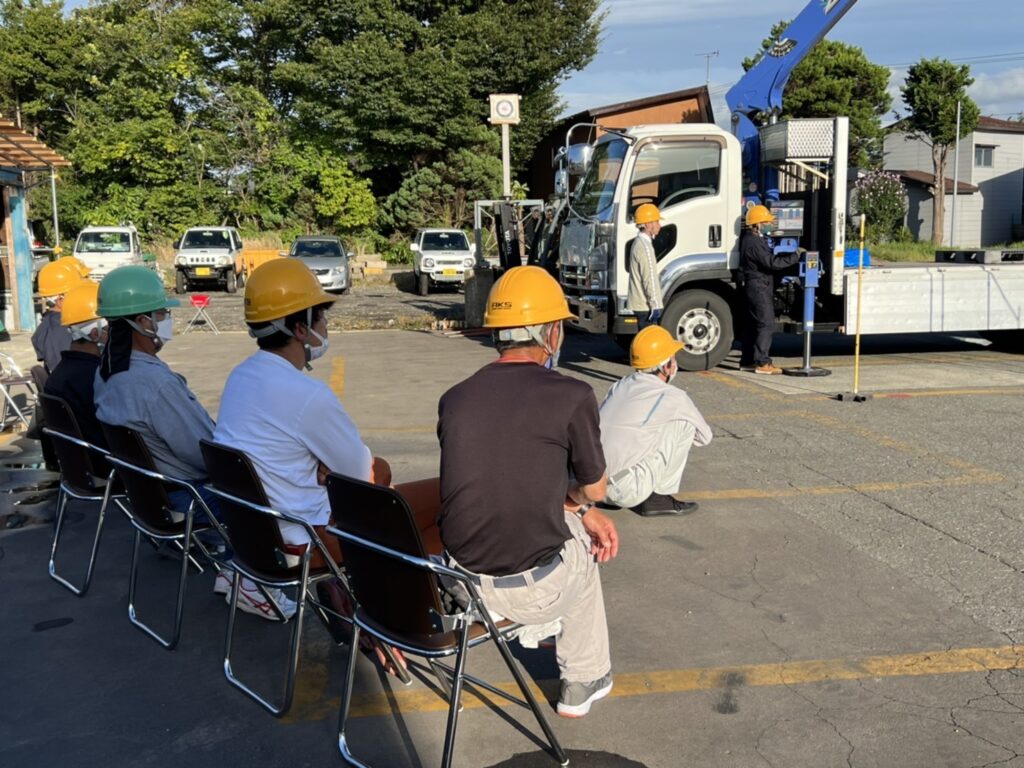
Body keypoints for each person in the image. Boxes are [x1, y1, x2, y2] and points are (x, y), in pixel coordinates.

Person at [437, 265, 619, 718]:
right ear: (551, 332)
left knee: (574, 525)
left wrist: (577, 509)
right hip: (524, 589)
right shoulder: (572, 395)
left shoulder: (455, 397)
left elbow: (502, 478)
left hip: (459, 577)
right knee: (585, 548)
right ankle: (584, 678)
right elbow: (595, 488)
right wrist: (582, 509)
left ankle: (550, 630)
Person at [213, 258, 386, 621]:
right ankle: (376, 601)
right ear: (300, 329)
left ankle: (327, 582)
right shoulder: (308, 394)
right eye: (321, 317)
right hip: (298, 538)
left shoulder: (240, 376)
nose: (326, 325)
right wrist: (330, 467)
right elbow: (358, 474)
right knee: (382, 477)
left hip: (250, 531)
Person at [93, 265, 219, 517]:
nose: (167, 320)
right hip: (190, 497)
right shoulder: (155, 384)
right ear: (143, 322)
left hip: (150, 499)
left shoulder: (106, 372)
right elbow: (205, 454)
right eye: (162, 314)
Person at [599, 326, 713, 517]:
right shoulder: (673, 396)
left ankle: (609, 494)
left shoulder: (620, 385)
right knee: (684, 424)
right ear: (666, 366)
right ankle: (658, 498)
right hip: (625, 491)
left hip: (590, 486)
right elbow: (704, 437)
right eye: (673, 358)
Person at [43, 280, 108, 449]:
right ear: (95, 333)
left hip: (81, 459)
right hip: (105, 458)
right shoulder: (97, 378)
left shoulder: (62, 373)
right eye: (111, 330)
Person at [739, 205, 802, 375]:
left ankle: (747, 360)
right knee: (766, 324)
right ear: (757, 224)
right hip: (759, 287)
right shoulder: (754, 243)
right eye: (766, 222)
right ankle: (762, 362)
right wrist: (795, 256)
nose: (769, 225)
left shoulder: (750, 239)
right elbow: (772, 263)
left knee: (753, 324)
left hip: (755, 285)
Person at [32, 260, 82, 374]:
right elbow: (65, 372)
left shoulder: (63, 322)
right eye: (77, 293)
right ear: (60, 299)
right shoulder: (58, 330)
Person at [626, 203, 664, 330]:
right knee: (649, 340)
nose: (659, 225)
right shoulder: (644, 247)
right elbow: (649, 278)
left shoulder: (638, 243)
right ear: (648, 224)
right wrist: (655, 305)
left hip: (640, 304)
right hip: (646, 306)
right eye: (656, 221)